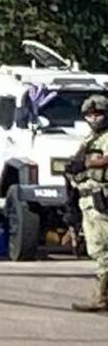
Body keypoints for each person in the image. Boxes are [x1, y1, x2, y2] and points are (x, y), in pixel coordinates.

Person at [68, 94, 108, 312]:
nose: (93, 118)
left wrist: (87, 163)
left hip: (100, 199)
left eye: (98, 113)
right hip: (87, 197)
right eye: (90, 114)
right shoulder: (91, 138)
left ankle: (101, 296)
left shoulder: (105, 138)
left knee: (101, 248)